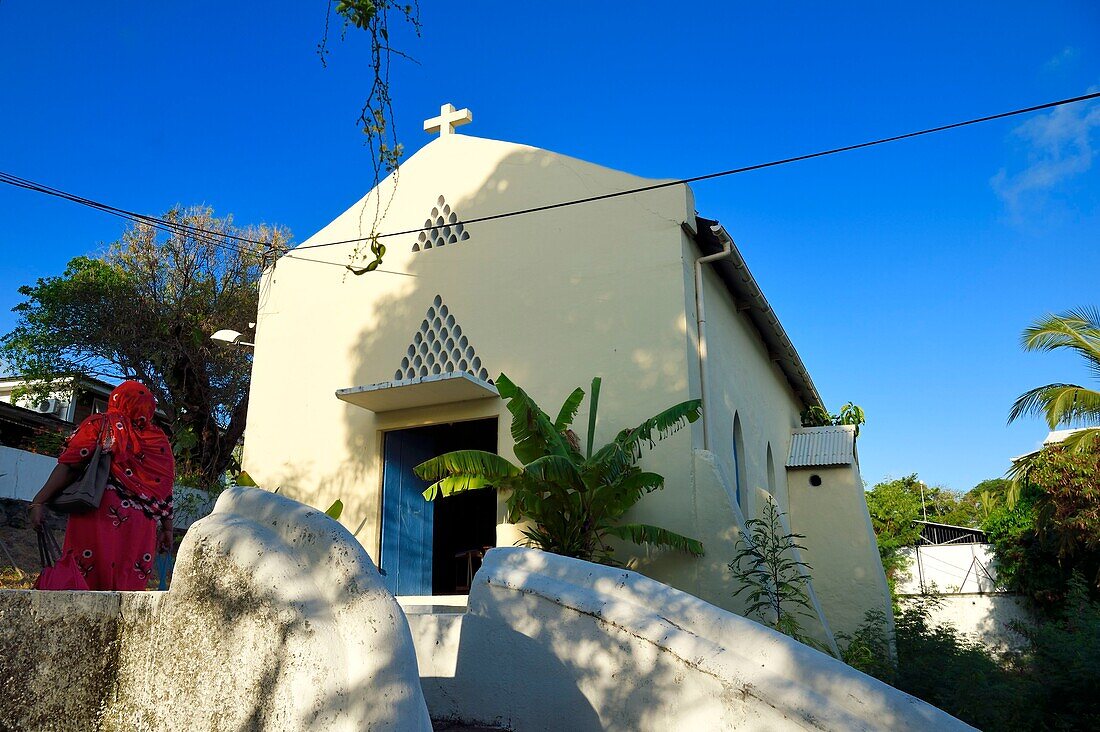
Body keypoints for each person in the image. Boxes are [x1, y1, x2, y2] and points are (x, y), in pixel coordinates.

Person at [29, 380, 175, 590]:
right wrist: (167, 529)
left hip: (98, 510)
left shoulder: (102, 424)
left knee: (85, 581)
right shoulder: (159, 441)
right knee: (127, 587)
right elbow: (164, 488)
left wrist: (38, 501)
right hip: (142, 523)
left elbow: (72, 463)